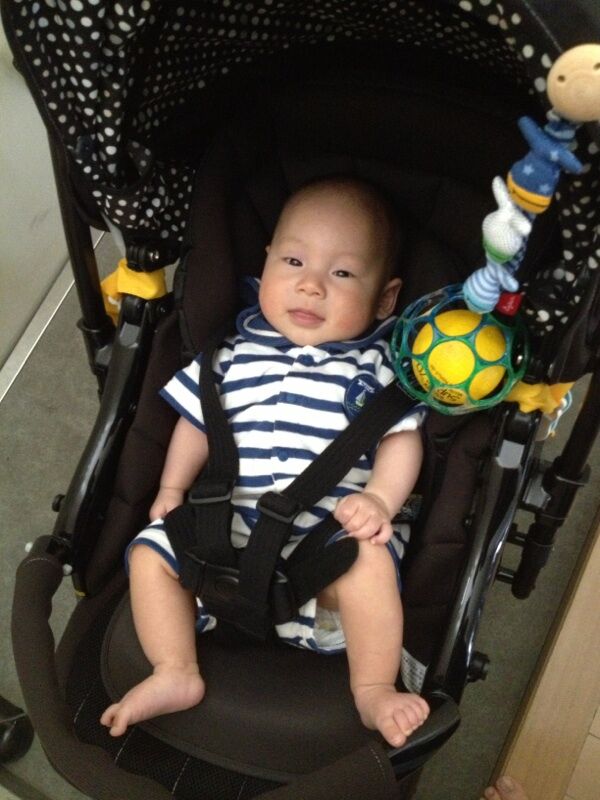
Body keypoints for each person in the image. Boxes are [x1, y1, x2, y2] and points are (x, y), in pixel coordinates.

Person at [100, 176, 430, 748]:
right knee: (150, 552)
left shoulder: (378, 368)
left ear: (384, 298)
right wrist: (173, 489)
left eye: (342, 273)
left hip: (323, 552)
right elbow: (197, 424)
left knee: (370, 564)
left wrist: (379, 499)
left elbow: (401, 439)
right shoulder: (229, 354)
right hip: (221, 541)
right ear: (267, 262)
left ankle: (373, 687)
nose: (311, 285)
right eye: (294, 261)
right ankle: (175, 668)